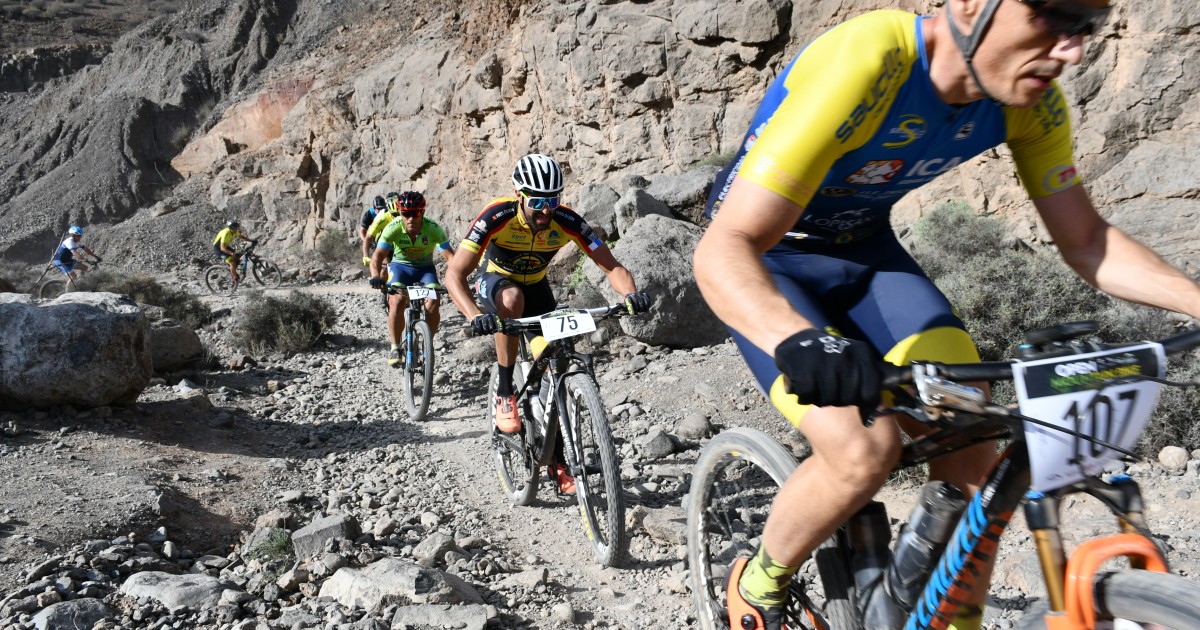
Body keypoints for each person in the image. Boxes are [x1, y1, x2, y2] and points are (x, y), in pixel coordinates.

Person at [692, 2, 1200, 629]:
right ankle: (759, 579)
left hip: (867, 258)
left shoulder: (1030, 100)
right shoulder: (869, 64)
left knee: (972, 434)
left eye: (1085, 28)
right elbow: (723, 247)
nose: (1072, 50)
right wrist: (797, 339)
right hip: (768, 259)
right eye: (1055, 17)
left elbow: (1088, 242)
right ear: (968, 6)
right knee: (861, 451)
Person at [445, 153, 650, 493]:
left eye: (552, 200)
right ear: (518, 194)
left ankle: (557, 461)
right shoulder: (497, 215)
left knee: (555, 365)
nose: (545, 210)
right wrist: (474, 316)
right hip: (496, 283)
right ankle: (506, 391)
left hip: (537, 288)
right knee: (512, 301)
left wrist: (630, 295)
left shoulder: (565, 220)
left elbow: (612, 266)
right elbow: (455, 273)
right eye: (537, 200)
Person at [367, 191, 455, 366]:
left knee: (433, 301)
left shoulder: (433, 228)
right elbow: (377, 257)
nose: (411, 219)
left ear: (422, 212)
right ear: (400, 212)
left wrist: (456, 281)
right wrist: (376, 276)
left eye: (415, 214)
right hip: (400, 268)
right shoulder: (392, 227)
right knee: (398, 301)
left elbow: (451, 258)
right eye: (406, 213)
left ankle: (427, 342)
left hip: (425, 269)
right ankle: (395, 347)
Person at [212, 219, 254, 285]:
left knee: (238, 257)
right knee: (232, 263)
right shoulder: (226, 233)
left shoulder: (234, 231)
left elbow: (241, 236)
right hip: (218, 249)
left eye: (237, 227)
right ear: (231, 228)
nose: (236, 229)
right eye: (235, 228)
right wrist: (232, 253)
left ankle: (235, 272)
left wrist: (251, 241)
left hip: (225, 247)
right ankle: (235, 280)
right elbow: (222, 248)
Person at [359, 195, 388, 266]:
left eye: (382, 208)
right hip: (373, 235)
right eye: (378, 209)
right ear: (374, 209)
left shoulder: (387, 212)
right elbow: (362, 230)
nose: (381, 211)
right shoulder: (369, 214)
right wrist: (367, 242)